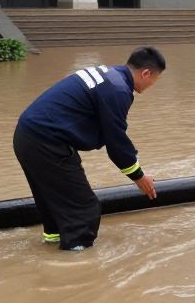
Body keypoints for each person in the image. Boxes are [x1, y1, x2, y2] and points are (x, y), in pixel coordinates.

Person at [13, 46, 165, 250]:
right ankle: (76, 268)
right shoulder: (118, 90)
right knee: (84, 211)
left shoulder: (108, 75)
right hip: (47, 142)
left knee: (52, 204)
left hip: (27, 135)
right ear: (146, 73)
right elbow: (116, 141)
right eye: (155, 80)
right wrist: (139, 176)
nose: (152, 85)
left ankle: (51, 251)